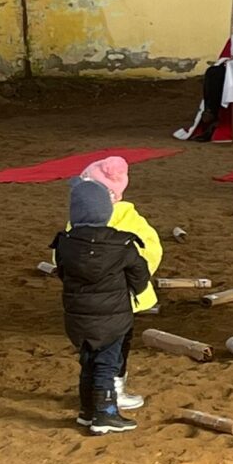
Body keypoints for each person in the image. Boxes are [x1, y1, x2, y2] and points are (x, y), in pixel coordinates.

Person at [50, 179, 150, 435]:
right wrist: (131, 292)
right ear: (106, 211)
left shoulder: (64, 243)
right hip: (113, 319)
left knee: (88, 362)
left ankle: (86, 411)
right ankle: (105, 413)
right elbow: (140, 275)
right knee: (107, 363)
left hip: (78, 318)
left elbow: (62, 272)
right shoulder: (122, 244)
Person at [77, 156, 162, 411]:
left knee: (99, 350)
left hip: (96, 300)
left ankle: (103, 393)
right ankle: (107, 393)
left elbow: (62, 258)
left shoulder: (82, 221)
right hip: (116, 301)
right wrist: (134, 283)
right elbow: (148, 255)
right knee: (111, 349)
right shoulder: (128, 222)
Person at [175, 0, 233, 142]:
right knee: (212, 72)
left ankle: (212, 112)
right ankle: (210, 111)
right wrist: (227, 61)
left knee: (216, 75)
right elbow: (225, 54)